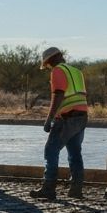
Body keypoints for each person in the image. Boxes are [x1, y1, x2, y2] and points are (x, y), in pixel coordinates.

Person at [31, 46, 88, 200]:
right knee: (75, 154)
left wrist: (49, 119)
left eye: (47, 64)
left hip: (67, 118)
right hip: (81, 117)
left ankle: (48, 188)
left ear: (51, 60)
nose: (48, 67)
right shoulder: (77, 71)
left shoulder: (57, 70)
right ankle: (76, 190)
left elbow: (58, 95)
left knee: (50, 150)